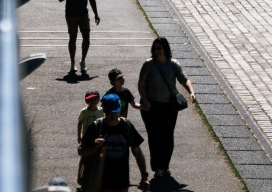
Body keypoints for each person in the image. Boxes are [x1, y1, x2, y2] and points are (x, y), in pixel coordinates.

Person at [137, 37, 197, 181]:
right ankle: (157, 168)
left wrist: (191, 91)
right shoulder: (149, 64)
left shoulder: (173, 64)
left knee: (168, 136)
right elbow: (141, 84)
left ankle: (165, 166)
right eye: (154, 48)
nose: (156, 51)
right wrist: (145, 100)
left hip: (169, 106)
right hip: (151, 105)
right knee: (155, 136)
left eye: (159, 48)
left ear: (165, 49)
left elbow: (184, 79)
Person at [78, 93, 150, 192]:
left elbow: (137, 152)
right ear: (103, 110)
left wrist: (144, 176)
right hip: (99, 182)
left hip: (122, 182)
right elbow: (81, 152)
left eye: (114, 112)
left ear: (119, 109)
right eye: (109, 112)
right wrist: (95, 146)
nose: (112, 116)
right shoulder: (95, 127)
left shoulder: (127, 126)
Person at [58, 0, 100, 76]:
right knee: (73, 37)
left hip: (83, 14)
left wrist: (96, 13)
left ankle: (83, 61)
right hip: (71, 14)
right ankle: (72, 63)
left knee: (86, 37)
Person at [77, 90, 105, 188]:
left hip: (98, 138)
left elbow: (104, 122)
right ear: (86, 101)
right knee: (85, 157)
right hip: (87, 138)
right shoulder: (84, 112)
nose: (93, 101)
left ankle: (97, 177)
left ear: (98, 99)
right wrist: (79, 135)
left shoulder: (101, 111)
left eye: (95, 99)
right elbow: (80, 122)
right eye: (90, 100)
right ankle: (81, 178)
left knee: (98, 157)